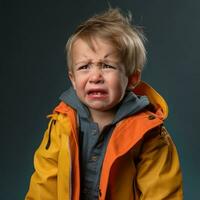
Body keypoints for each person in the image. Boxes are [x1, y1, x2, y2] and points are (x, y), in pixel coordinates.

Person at [25, 8, 183, 200]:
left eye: (107, 66)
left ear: (132, 78)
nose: (95, 77)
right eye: (84, 67)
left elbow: (161, 192)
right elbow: (44, 183)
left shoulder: (149, 133)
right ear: (73, 79)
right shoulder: (62, 124)